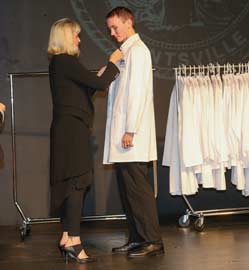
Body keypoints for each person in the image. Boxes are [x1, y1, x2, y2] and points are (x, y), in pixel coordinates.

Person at [47, 18, 122, 263]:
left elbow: (81, 91)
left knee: (72, 184)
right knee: (78, 182)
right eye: (76, 35)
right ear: (66, 37)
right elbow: (99, 84)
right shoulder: (66, 61)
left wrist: (100, 75)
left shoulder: (61, 63)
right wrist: (112, 63)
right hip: (71, 131)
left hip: (67, 129)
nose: (80, 39)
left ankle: (67, 236)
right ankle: (75, 241)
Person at [104, 6, 163, 257]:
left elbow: (138, 93)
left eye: (115, 27)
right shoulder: (124, 52)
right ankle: (137, 237)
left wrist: (130, 130)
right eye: (109, 29)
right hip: (122, 136)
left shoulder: (139, 51)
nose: (112, 32)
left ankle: (153, 240)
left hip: (132, 136)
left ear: (129, 23)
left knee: (138, 190)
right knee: (128, 192)